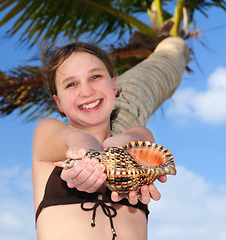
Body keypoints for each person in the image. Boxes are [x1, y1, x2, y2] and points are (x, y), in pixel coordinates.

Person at [32, 42, 167, 240]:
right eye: (71, 84)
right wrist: (89, 155)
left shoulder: (139, 137)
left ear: (113, 85)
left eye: (95, 76)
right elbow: (74, 139)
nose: (86, 91)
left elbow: (137, 139)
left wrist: (115, 149)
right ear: (58, 102)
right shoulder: (47, 132)